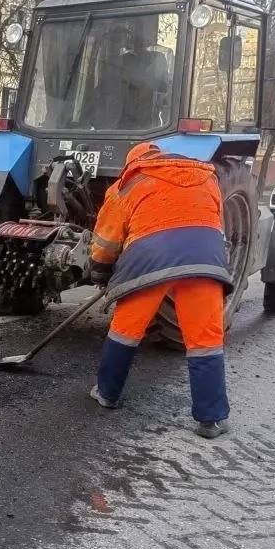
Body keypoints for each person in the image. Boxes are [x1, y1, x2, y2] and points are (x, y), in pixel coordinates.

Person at [88, 142, 232, 438]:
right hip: (205, 260)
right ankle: (212, 419)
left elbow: (106, 243)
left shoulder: (126, 185)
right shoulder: (208, 177)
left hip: (148, 261)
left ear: (133, 162)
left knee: (124, 332)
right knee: (205, 340)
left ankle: (106, 393)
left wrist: (101, 273)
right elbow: (213, 222)